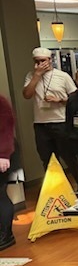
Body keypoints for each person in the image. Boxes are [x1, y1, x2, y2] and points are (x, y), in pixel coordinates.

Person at [22, 47, 78, 183]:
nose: (40, 64)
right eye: (36, 62)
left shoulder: (63, 76)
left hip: (60, 121)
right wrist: (37, 75)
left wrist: (60, 100)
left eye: (43, 61)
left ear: (50, 60)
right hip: (40, 124)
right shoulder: (31, 76)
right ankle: (56, 187)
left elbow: (76, 99)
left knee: (69, 156)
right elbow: (26, 95)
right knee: (47, 159)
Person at [0, 94, 19, 251]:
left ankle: (6, 235)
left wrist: (3, 154)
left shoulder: (0, 101)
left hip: (3, 154)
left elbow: (6, 127)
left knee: (0, 194)